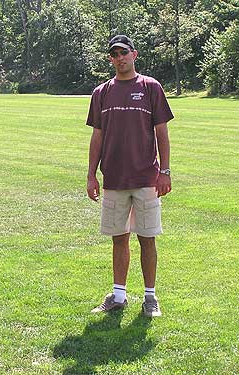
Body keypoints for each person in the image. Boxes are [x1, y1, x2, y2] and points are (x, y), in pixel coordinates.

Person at [86, 35, 174, 317]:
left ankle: (150, 297)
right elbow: (97, 136)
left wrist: (165, 171)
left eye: (123, 52)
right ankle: (119, 295)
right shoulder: (102, 92)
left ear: (134, 54)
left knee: (147, 238)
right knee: (118, 237)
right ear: (110, 58)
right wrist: (91, 175)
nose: (119, 58)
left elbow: (162, 132)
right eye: (114, 54)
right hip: (113, 179)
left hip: (146, 177)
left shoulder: (150, 87)